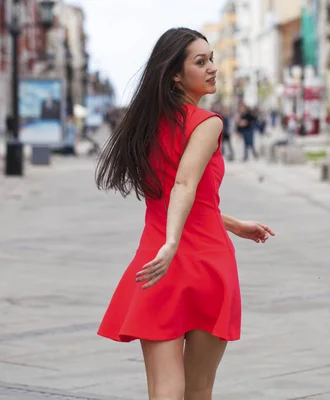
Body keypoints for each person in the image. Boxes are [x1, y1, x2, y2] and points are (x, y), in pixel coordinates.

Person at [94, 27, 274, 399]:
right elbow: (184, 186)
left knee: (163, 388)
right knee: (197, 389)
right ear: (175, 74)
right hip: (203, 260)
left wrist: (234, 224)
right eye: (200, 61)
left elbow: (180, 197)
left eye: (211, 59)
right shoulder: (207, 123)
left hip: (156, 261)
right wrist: (174, 242)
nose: (213, 68)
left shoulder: (143, 127)